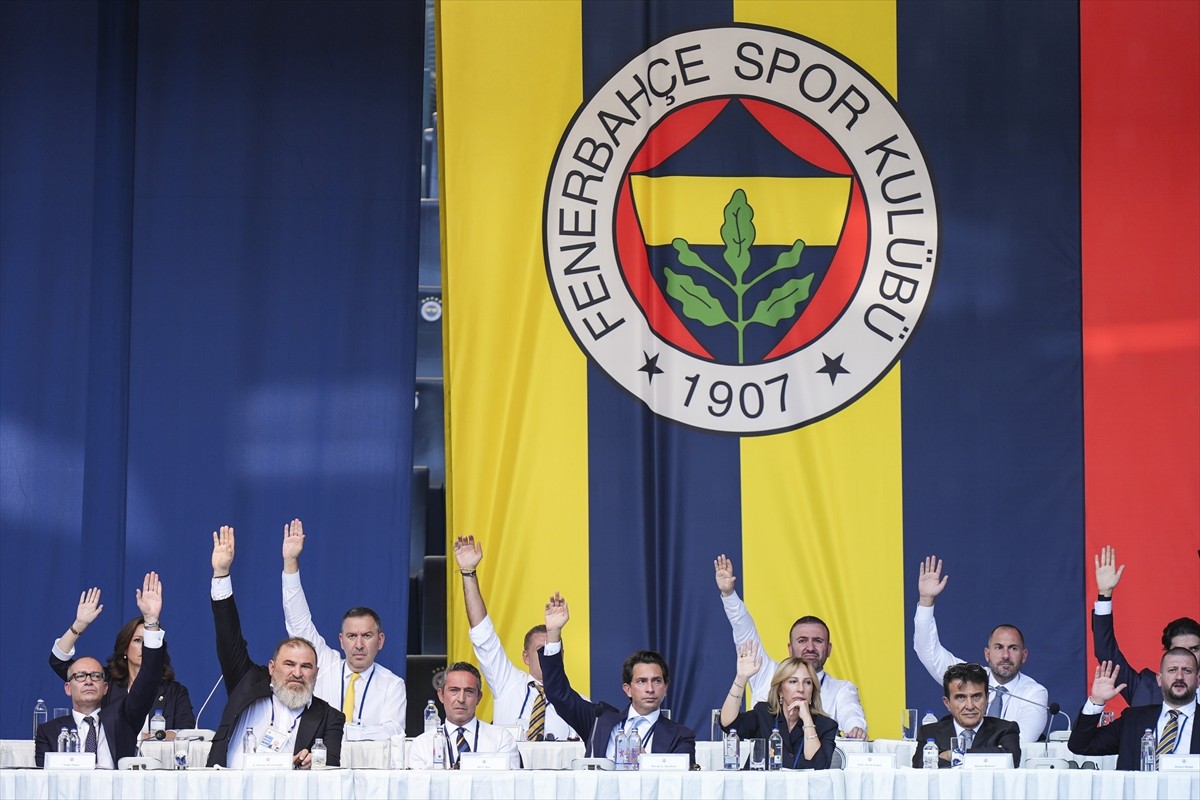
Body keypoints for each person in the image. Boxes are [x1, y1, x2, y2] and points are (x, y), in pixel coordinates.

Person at [205, 525, 344, 768]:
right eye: (289, 664)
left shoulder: (329, 717)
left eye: (306, 666)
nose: (297, 673)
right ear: (271, 667)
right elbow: (229, 638)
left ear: (317, 673)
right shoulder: (246, 684)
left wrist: (317, 762)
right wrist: (221, 574)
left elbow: (331, 767)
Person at [713, 554, 867, 738]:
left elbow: (851, 712)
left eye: (818, 641)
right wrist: (729, 595)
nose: (810, 647)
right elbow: (744, 631)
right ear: (789, 648)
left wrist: (855, 728)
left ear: (829, 649)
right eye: (802, 640)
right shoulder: (766, 673)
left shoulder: (841, 689)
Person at [281, 518, 406, 739]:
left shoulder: (392, 685)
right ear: (341, 640)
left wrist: (340, 732)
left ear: (381, 640)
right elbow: (298, 621)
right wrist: (290, 563)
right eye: (352, 636)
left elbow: (392, 732)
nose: (359, 645)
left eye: (367, 636)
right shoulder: (325, 665)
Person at [539, 592, 696, 763]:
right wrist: (553, 634)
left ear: (666, 688)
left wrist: (647, 762)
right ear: (627, 689)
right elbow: (557, 693)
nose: (650, 689)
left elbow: (680, 784)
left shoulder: (680, 735)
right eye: (641, 681)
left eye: (657, 681)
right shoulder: (600, 721)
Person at [35, 572, 169, 768]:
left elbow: (149, 678)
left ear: (105, 687)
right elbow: (42, 782)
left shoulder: (123, 717)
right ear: (67, 687)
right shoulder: (49, 731)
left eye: (96, 676)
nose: (88, 680)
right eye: (80, 676)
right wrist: (79, 625)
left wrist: (151, 621)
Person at [453, 535, 579, 740]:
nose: (547, 656)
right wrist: (468, 573)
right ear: (525, 657)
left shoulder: (577, 702)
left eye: (552, 650)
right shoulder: (507, 682)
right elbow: (482, 634)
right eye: (540, 650)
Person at [914, 555, 1048, 743]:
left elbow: (1021, 741)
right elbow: (927, 651)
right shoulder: (968, 678)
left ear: (1024, 656)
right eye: (999, 647)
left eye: (1013, 648)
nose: (1005, 655)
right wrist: (926, 600)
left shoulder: (1034, 693)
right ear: (987, 654)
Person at [48, 587, 195, 731]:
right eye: (138, 641)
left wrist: (150, 739)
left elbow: (186, 734)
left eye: (149, 641)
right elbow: (58, 661)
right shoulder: (104, 682)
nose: (145, 647)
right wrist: (79, 624)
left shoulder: (174, 692)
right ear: (125, 648)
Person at [1092, 545, 1200, 706]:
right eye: (1180, 650)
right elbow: (1106, 653)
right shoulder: (1144, 688)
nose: (1187, 657)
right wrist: (1104, 594)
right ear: (1166, 654)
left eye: (1194, 649)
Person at [1068, 651, 1199, 769]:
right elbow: (1080, 745)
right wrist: (1096, 701)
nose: (1179, 677)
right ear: (1159, 679)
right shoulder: (1133, 719)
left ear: (1198, 680)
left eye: (1187, 671)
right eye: (1172, 670)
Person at [719, 641, 837, 769]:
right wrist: (741, 678)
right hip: (760, 787)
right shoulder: (764, 713)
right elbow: (728, 724)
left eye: (807, 682)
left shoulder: (826, 725)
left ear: (813, 690)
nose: (801, 688)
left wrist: (807, 720)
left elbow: (818, 768)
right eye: (793, 681)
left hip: (799, 789)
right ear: (780, 690)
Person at [406, 662, 520, 769]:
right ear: (441, 695)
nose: (461, 699)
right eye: (454, 690)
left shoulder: (501, 739)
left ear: (479, 698)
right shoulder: (421, 745)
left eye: (469, 691)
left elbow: (510, 785)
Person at [911, 662, 1021, 768]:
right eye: (961, 697)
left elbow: (1011, 759)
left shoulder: (1005, 730)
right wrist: (990, 754)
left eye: (976, 696)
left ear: (987, 698)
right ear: (947, 703)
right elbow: (920, 764)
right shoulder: (929, 732)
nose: (970, 706)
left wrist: (951, 754)